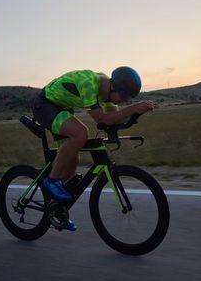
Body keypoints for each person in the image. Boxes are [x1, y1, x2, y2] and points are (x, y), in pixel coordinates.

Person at [32, 66, 155, 231]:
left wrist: (135, 115)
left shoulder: (108, 93)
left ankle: (57, 208)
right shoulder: (89, 83)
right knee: (81, 134)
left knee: (72, 159)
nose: (123, 101)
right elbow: (101, 118)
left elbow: (113, 120)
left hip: (62, 108)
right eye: (124, 95)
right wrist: (132, 108)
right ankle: (51, 179)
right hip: (45, 105)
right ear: (114, 86)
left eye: (127, 99)